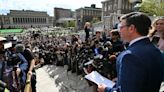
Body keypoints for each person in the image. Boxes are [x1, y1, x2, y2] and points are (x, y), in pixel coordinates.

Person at [98, 12, 163, 92]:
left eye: (121, 27)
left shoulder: (130, 56)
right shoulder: (155, 49)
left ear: (131, 28)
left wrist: (105, 89)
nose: (119, 31)